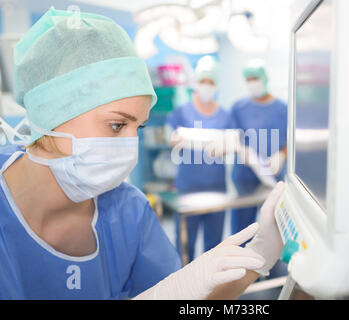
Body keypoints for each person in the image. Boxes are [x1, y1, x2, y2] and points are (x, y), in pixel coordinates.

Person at [0, 8, 285, 300]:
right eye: (117, 125)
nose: (129, 145)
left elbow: (187, 298)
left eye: (139, 127)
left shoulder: (127, 210)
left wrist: (259, 254)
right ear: (52, 112)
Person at [166, 56, 231, 262]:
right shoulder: (182, 112)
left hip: (216, 188)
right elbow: (171, 139)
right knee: (185, 245)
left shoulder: (225, 116)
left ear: (217, 85)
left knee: (214, 247)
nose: (206, 86)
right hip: (188, 188)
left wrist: (223, 148)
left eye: (210, 82)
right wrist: (176, 140)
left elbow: (230, 145)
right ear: (196, 82)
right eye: (203, 81)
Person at [229, 59, 288, 239]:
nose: (252, 82)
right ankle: (240, 264)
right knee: (242, 232)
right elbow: (232, 137)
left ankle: (270, 266)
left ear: (264, 78)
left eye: (255, 78)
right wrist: (243, 152)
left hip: (273, 176)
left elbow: (290, 140)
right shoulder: (239, 108)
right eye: (249, 79)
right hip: (244, 177)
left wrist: (281, 155)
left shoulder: (283, 109)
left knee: (273, 229)